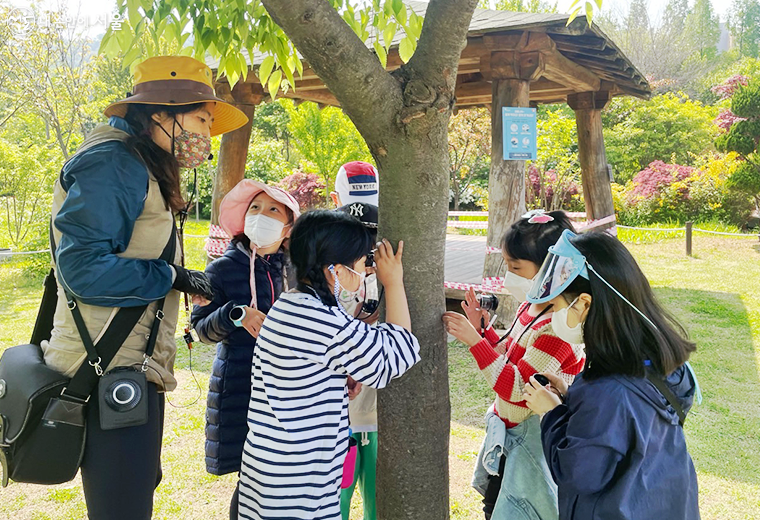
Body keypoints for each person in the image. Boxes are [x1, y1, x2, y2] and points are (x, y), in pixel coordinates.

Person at [40, 55, 248, 519]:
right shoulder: (114, 165)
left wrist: (177, 277)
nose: (206, 133)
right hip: (104, 365)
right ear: (160, 113)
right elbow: (84, 269)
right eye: (200, 117)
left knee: (132, 494)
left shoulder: (139, 164)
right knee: (123, 506)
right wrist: (169, 276)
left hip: (129, 363)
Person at [235, 210, 420, 520]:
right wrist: (394, 283)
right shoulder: (324, 320)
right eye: (362, 262)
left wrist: (334, 379)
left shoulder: (290, 304)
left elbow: (302, 372)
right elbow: (393, 357)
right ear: (335, 270)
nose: (366, 270)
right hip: (297, 481)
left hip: (272, 469)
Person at [522, 230, 700, 520]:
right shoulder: (656, 361)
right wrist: (572, 399)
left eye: (554, 306)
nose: (551, 315)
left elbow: (579, 473)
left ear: (584, 303)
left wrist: (551, 413)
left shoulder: (606, 391)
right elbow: (629, 427)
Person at [442, 210, 584, 520]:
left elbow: (519, 389)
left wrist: (475, 343)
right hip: (510, 434)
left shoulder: (559, 326)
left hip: (532, 439)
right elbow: (511, 356)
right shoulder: (533, 304)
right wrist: (483, 330)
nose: (509, 275)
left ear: (551, 267)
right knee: (495, 507)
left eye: (516, 267)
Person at [190, 180, 301, 517]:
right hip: (239, 386)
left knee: (281, 476)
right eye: (255, 208)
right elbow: (199, 330)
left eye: (272, 210)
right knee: (249, 477)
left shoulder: (297, 271)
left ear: (287, 227)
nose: (261, 215)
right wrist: (235, 314)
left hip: (288, 387)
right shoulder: (221, 269)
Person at [335, 201, 381, 520]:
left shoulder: (389, 281)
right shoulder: (326, 283)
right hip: (339, 421)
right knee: (338, 495)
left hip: (378, 416)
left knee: (376, 501)